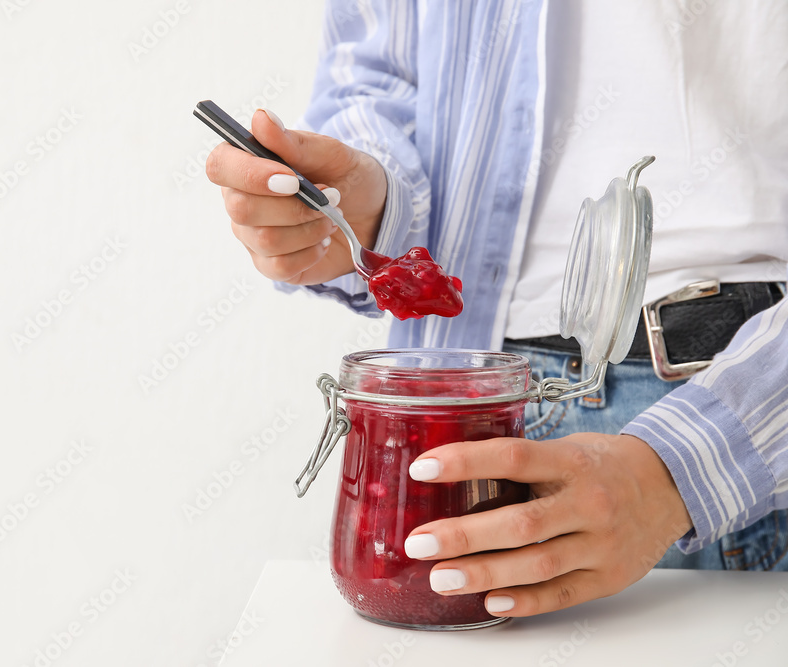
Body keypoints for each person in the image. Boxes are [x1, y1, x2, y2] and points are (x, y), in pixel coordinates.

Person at [205, 0, 788, 617]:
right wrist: (366, 201)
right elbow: (379, 77)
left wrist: (679, 471)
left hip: (733, 412)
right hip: (454, 396)